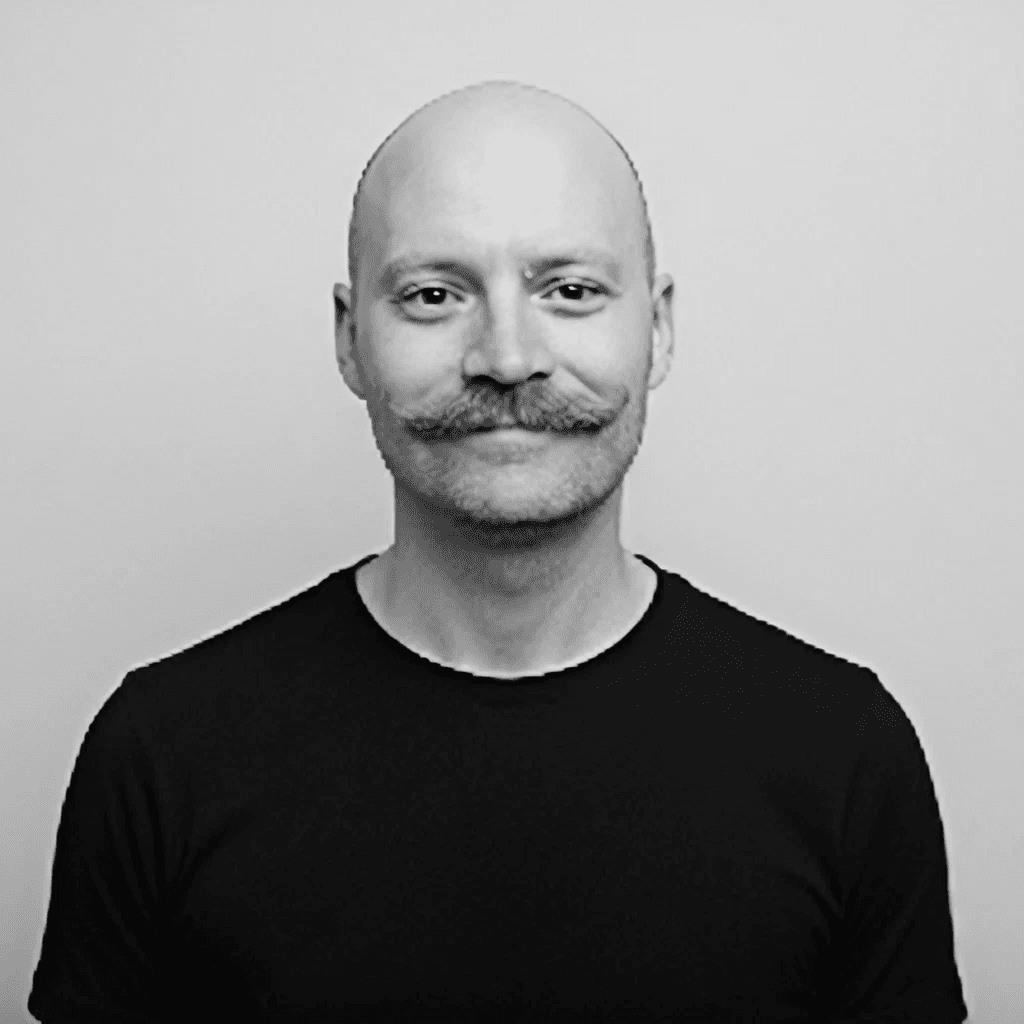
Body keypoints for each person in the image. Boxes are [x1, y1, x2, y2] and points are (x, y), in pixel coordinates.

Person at [28, 80, 968, 1022]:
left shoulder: (846, 754)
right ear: (351, 340)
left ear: (658, 328)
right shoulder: (159, 756)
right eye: (434, 296)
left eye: (571, 291)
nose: (508, 357)